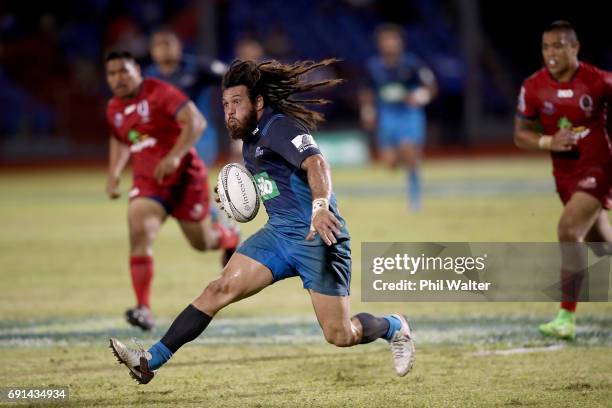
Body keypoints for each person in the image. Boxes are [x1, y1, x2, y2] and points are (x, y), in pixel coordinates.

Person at [109, 59, 415, 384]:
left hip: (317, 236)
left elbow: (316, 163)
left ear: (257, 102)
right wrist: (233, 195)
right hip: (278, 235)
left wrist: (321, 207)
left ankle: (395, 326)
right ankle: (149, 360)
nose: (229, 111)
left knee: (340, 334)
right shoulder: (249, 140)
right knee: (219, 288)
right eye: (225, 104)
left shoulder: (279, 127)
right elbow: (276, 182)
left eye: (237, 103)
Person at [104, 51, 240, 331]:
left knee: (202, 242)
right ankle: (143, 308)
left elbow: (197, 122)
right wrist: (115, 172)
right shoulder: (114, 108)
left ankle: (228, 237)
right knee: (139, 232)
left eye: (123, 71)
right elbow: (120, 138)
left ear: (138, 70)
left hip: (185, 179)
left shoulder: (160, 92)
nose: (118, 78)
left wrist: (176, 155)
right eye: (112, 73)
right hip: (149, 182)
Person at [514, 21, 612, 340]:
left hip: (599, 167)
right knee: (601, 243)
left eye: (558, 46)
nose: (551, 53)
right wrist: (548, 142)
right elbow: (520, 134)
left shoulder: (600, 82)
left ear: (575, 47)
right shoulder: (533, 86)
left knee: (569, 230)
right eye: (546, 47)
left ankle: (565, 317)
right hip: (565, 175)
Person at [359, 23, 437, 211]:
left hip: (409, 114)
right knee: (390, 163)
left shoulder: (412, 63)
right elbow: (366, 91)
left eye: (394, 40)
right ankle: (407, 156)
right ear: (379, 44)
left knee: (409, 151)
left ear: (401, 43)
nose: (390, 44)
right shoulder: (372, 66)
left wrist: (419, 96)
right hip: (387, 115)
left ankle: (415, 199)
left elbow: (431, 86)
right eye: (386, 40)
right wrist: (367, 111)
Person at [145, 29, 227, 166]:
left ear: (179, 46)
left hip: (198, 136)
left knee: (192, 178)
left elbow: (232, 74)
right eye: (158, 45)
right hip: (165, 138)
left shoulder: (198, 67)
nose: (164, 48)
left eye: (167, 43)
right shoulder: (148, 77)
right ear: (152, 51)